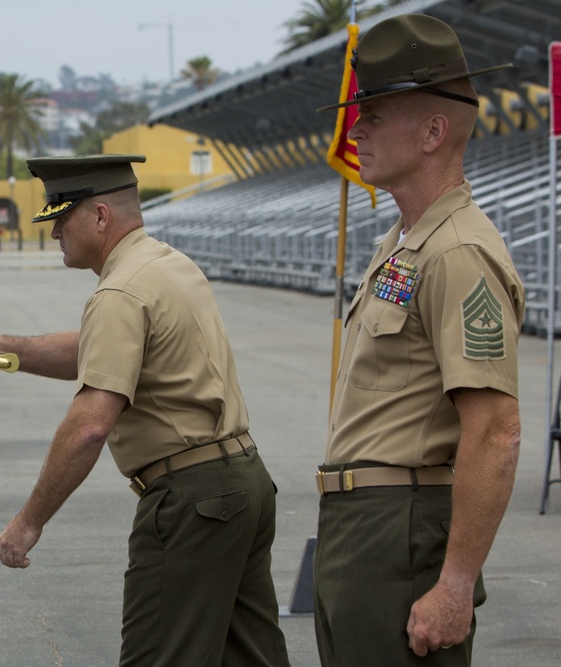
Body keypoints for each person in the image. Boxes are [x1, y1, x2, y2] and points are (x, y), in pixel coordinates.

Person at [0, 154, 291, 667]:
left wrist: (28, 522)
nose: (54, 231)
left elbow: (90, 426)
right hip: (242, 483)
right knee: (249, 656)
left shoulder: (121, 290)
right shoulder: (165, 264)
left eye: (62, 216)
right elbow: (96, 349)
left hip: (193, 502)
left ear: (100, 217)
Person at [314, 14, 525, 667]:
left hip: (400, 532)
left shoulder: (458, 251)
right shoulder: (408, 241)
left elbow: (495, 430)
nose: (356, 130)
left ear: (434, 131)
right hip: (363, 529)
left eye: (374, 114)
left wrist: (456, 584)